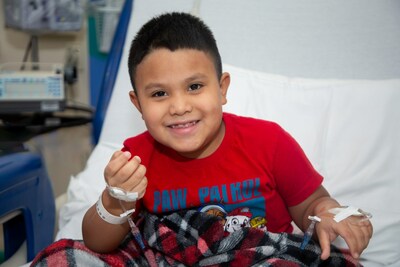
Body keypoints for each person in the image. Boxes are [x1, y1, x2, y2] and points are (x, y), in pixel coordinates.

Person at [82, 12, 372, 261]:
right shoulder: (137, 158)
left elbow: (313, 205)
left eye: (194, 86)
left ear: (222, 89)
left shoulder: (269, 142)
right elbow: (98, 243)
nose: (180, 107)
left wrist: (331, 214)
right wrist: (116, 198)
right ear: (139, 105)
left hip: (263, 258)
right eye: (159, 94)